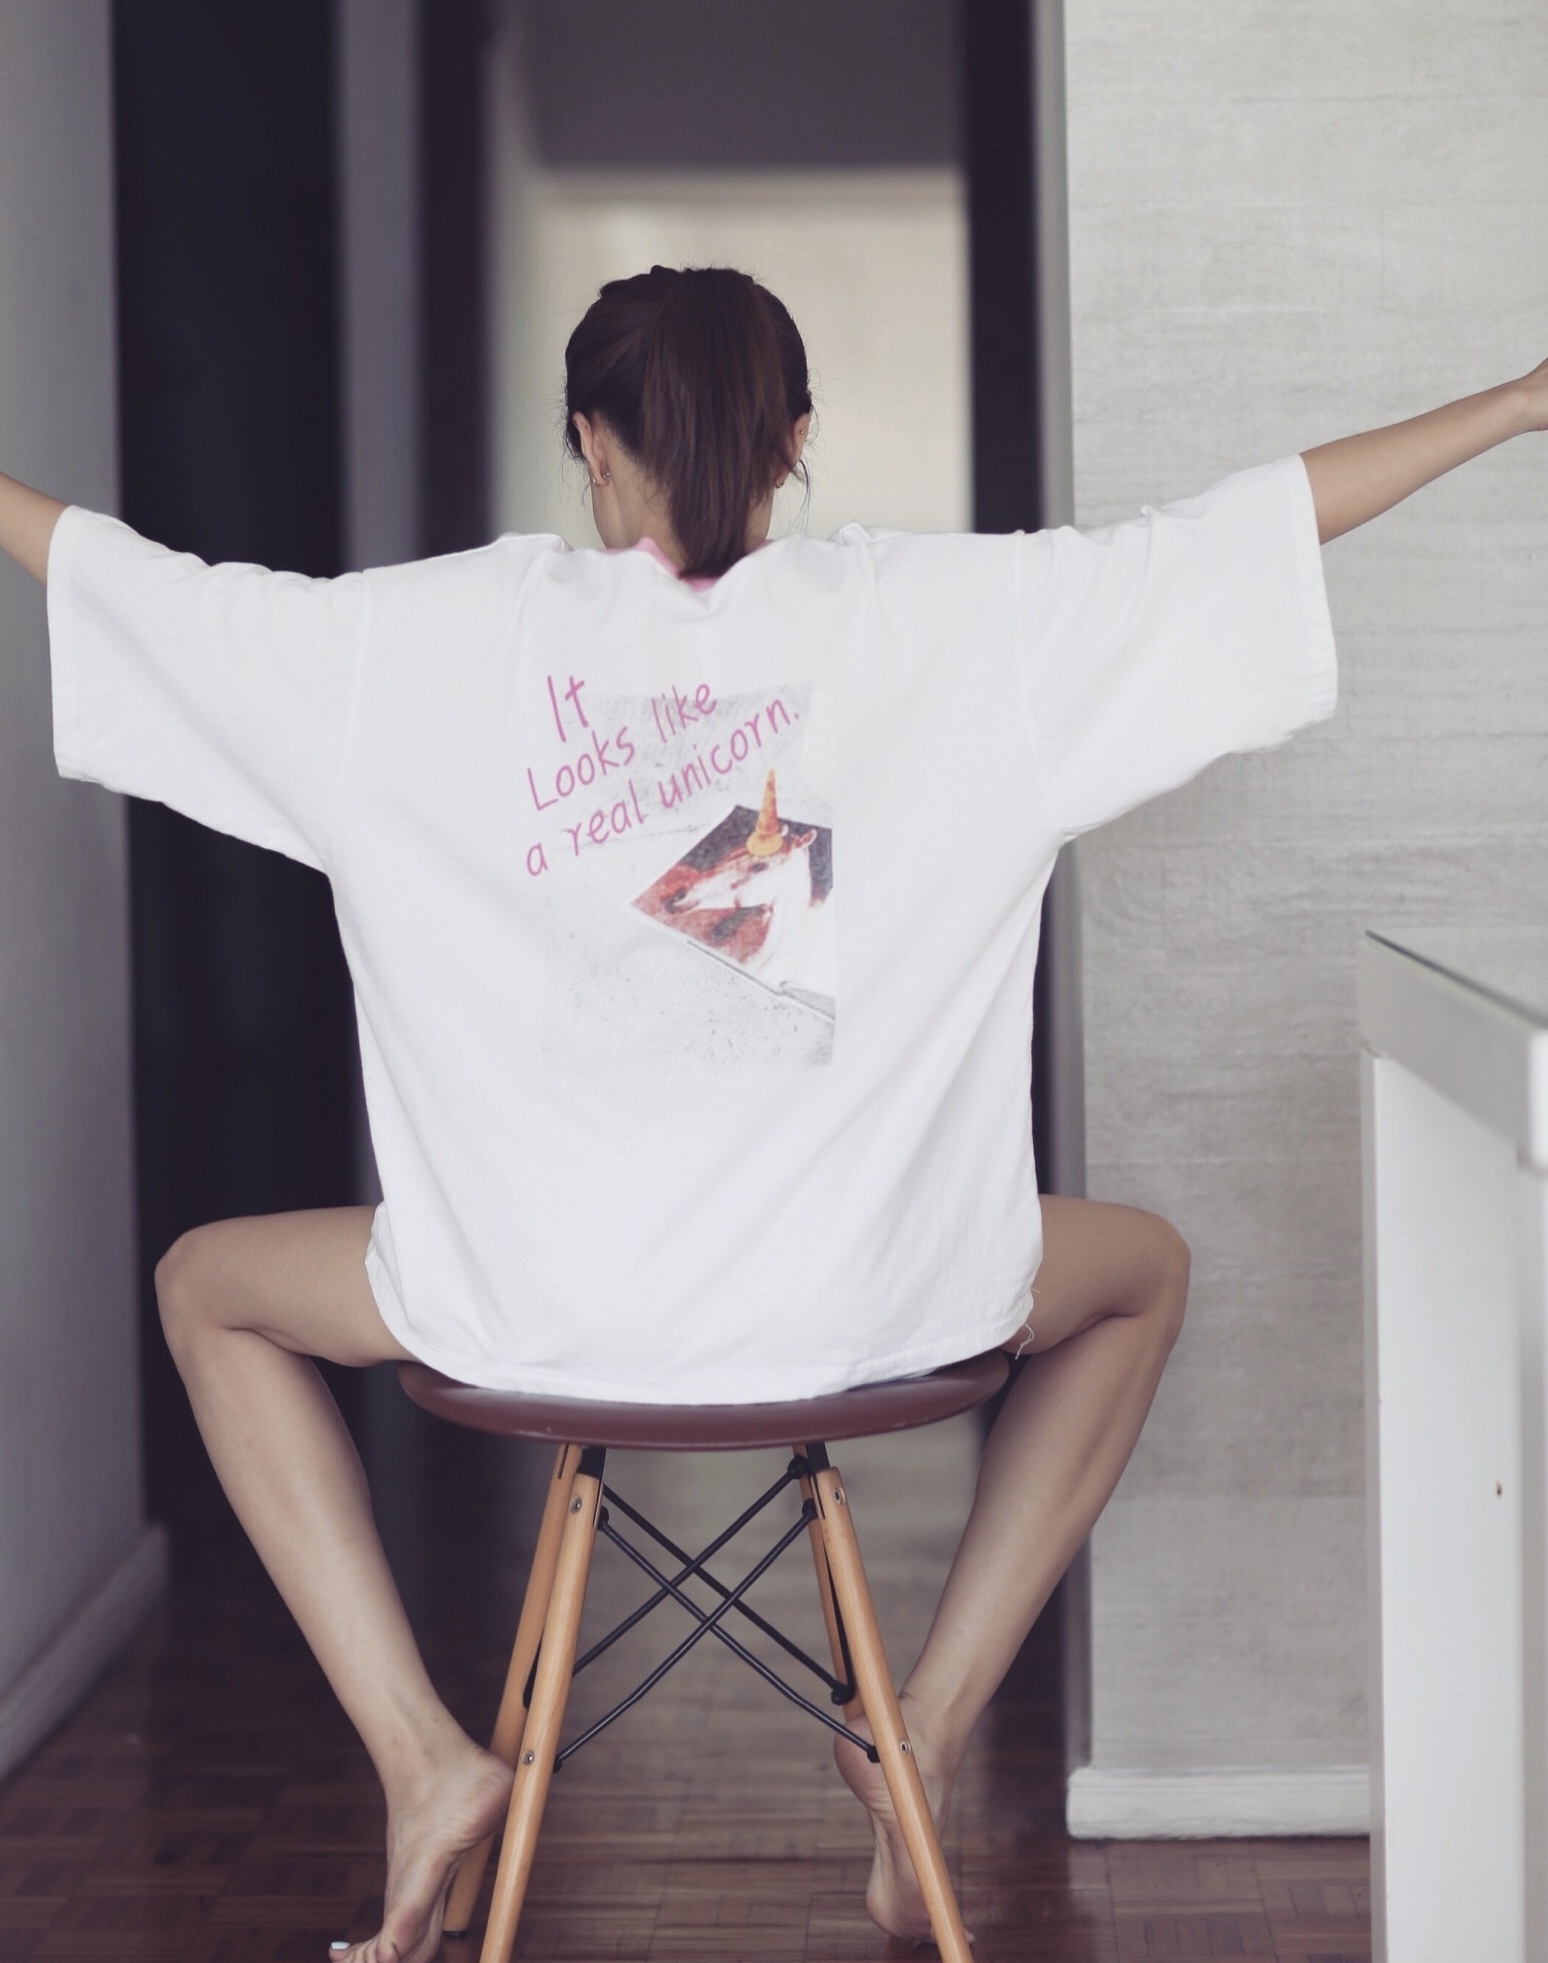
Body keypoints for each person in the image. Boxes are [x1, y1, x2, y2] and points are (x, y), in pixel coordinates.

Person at [0, 262, 1542, 1963]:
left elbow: (143, 594)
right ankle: (919, 1733)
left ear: (588, 441)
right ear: (799, 439)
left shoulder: (420, 644)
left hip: (533, 1312)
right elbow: (1244, 537)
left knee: (206, 1286)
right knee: (1144, 1270)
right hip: (871, 1302)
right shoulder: (958, 625)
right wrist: (1523, 401)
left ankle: (423, 1758)